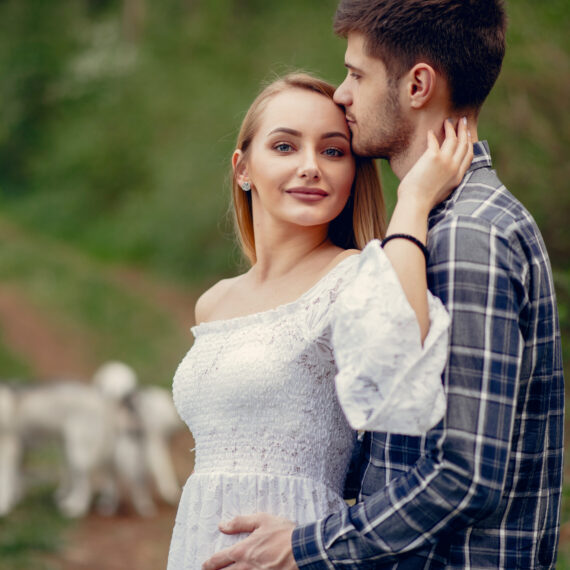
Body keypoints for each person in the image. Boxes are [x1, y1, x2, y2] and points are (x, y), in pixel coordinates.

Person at [203, 1, 564, 569]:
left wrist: (306, 545)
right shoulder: (434, 230)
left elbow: (464, 475)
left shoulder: (468, 236)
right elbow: (391, 436)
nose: (343, 95)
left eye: (356, 73)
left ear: (418, 84)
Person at [167, 71, 472, 569]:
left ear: (353, 173)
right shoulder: (215, 302)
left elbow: (405, 364)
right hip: (199, 545)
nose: (311, 167)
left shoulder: (355, 277)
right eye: (285, 147)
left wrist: (413, 202)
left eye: (333, 151)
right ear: (243, 168)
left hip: (295, 549)